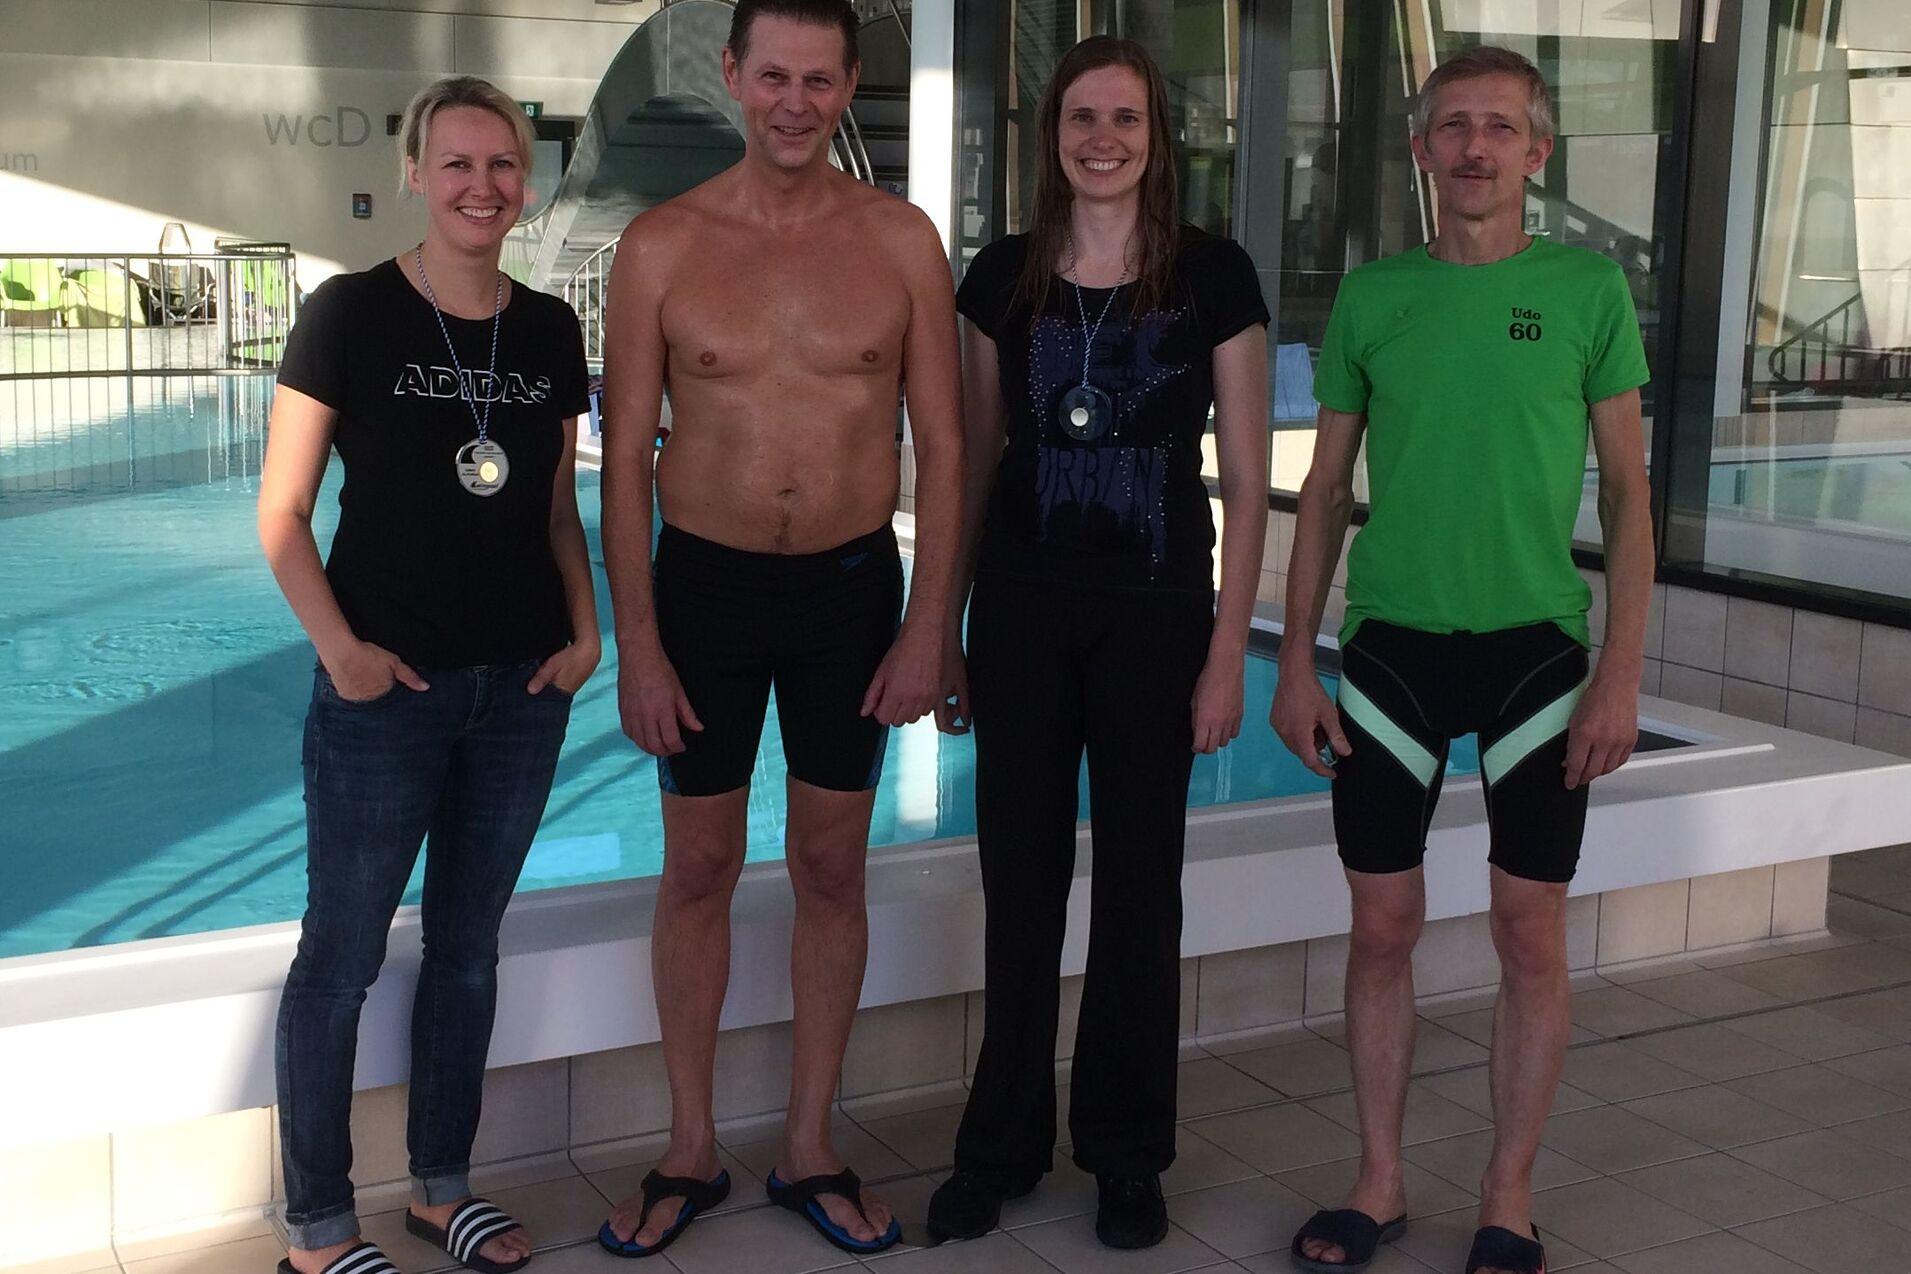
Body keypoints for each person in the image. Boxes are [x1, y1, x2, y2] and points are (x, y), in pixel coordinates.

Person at [1271, 46, 1651, 1274]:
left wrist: (1624, 672)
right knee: (1380, 926)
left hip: (1538, 651)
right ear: (1425, 148)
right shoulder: (1375, 298)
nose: (1476, 147)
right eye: (1454, 128)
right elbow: (1323, 490)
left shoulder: (1590, 291)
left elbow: (1634, 500)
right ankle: (1377, 1180)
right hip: (1390, 651)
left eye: (1501, 128)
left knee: (1525, 929)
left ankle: (1507, 1192)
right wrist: (1293, 661)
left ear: (1538, 154)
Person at [593, 0, 962, 1260]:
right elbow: (625, 466)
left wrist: (929, 623)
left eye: (819, 78)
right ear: (735, 78)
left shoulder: (902, 240)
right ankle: (690, 1145)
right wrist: (639, 642)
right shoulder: (661, 245)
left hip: (849, 594)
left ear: (849, 83)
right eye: (774, 76)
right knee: (695, 867)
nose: (796, 101)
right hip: (703, 591)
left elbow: (948, 449)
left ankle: (809, 1140)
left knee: (830, 870)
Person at [925, 35, 1270, 1253]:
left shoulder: (1214, 277)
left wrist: (1230, 651)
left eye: (1126, 116)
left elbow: (1242, 475)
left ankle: (1127, 1151)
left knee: (1140, 887)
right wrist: (950, 633)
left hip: (1158, 611)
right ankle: (999, 1148)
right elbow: (967, 464)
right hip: (1019, 605)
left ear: (1156, 135)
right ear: (1051, 132)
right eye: (1082, 116)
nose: (1103, 138)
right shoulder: (1002, 277)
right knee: (1020, 882)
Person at [259, 77, 598, 1274]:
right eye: (456, 164)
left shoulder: (551, 330)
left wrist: (587, 627)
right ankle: (317, 1223)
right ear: (415, 172)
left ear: (527, 178)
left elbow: (557, 508)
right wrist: (341, 651)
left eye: (502, 165)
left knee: (467, 947)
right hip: (383, 692)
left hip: (519, 691)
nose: (481, 186)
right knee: (341, 958)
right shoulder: (349, 314)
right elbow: (284, 514)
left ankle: (440, 1189)